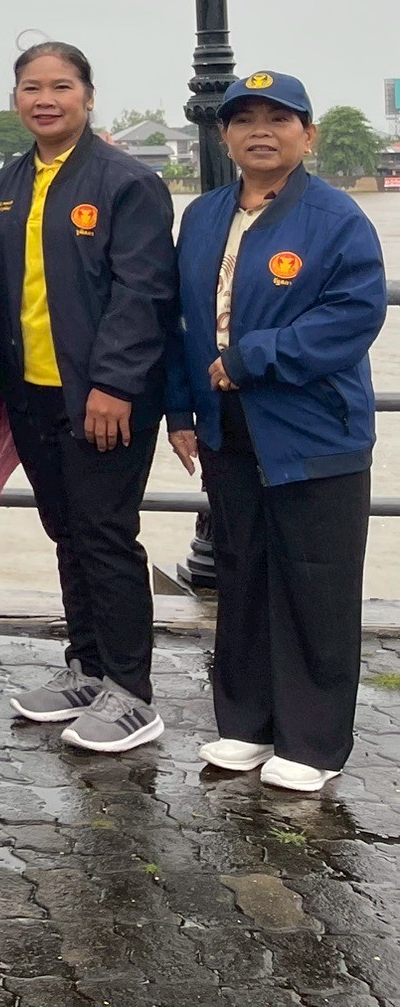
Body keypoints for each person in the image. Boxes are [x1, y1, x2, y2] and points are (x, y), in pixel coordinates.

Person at [171, 72, 384, 793]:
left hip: (313, 428)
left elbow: (352, 316)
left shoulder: (335, 218)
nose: (260, 131)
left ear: (307, 134)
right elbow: (182, 320)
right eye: (244, 119)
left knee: (317, 583)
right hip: (227, 427)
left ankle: (313, 742)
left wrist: (253, 356)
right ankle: (247, 723)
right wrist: (182, 410)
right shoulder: (204, 215)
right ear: (224, 135)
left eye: (279, 118)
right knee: (242, 571)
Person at [0, 40, 182, 754]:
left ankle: (131, 692)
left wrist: (115, 384)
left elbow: (144, 292)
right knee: (66, 531)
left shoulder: (127, 182)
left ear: (89, 97)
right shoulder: (6, 183)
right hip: (32, 391)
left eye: (61, 86)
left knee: (105, 534)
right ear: (16, 99)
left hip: (103, 398)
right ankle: (88, 668)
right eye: (31, 87)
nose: (45, 99)